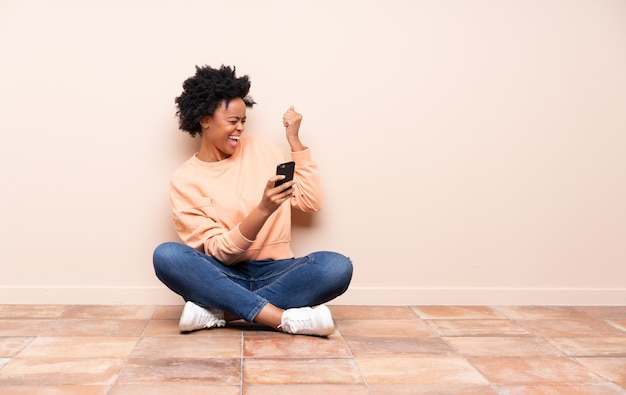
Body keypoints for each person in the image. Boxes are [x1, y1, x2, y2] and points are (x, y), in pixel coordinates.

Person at [153, 65, 353, 336]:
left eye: (243, 120)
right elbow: (220, 252)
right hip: (222, 273)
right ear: (204, 119)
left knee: (336, 266)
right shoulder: (185, 180)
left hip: (277, 271)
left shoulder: (262, 150)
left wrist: (294, 142)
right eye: (233, 120)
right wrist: (264, 209)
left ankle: (224, 312)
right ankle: (282, 319)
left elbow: (309, 201)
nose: (240, 128)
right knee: (167, 255)